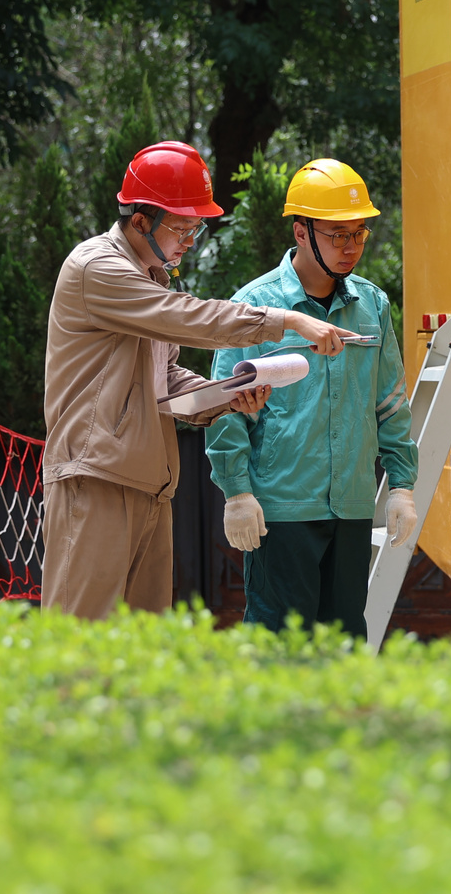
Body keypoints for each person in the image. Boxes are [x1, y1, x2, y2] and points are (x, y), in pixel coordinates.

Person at [39, 141, 358, 619]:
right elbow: (186, 317)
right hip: (96, 476)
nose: (190, 239)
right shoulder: (98, 267)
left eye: (196, 227)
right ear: (140, 220)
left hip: (150, 483)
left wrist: (229, 397)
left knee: (143, 649)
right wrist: (288, 321)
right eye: (182, 226)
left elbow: (163, 384)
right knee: (80, 646)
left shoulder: (150, 277)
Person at [206, 159, 418, 638]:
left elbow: (389, 401)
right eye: (337, 235)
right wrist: (237, 491)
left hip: (351, 506)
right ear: (301, 232)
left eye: (359, 233)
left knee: (343, 642)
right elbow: (222, 407)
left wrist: (402, 485)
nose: (351, 248)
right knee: (280, 645)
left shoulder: (373, 307)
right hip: (281, 510)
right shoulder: (255, 309)